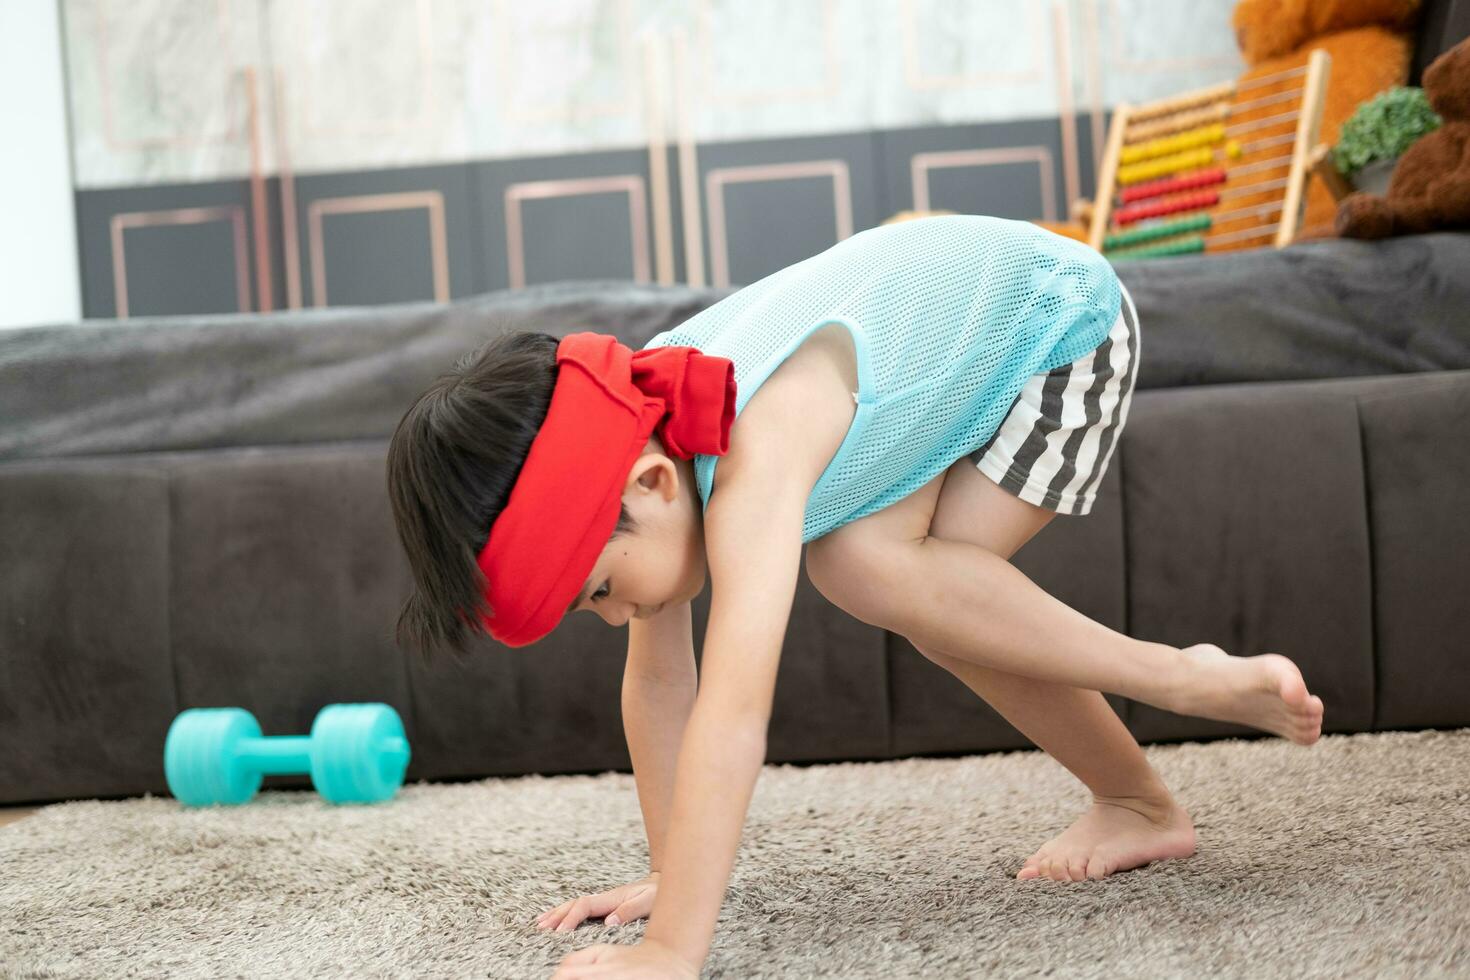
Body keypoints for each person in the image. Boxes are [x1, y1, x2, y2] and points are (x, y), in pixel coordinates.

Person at [386, 214, 1324, 980]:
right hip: (942, 338)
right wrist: (673, 884)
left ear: (653, 489)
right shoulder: (639, 441)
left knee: (877, 571)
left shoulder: (744, 451)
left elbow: (731, 711)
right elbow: (660, 688)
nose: (618, 617)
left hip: (1055, 325)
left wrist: (674, 950)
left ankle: (1176, 693)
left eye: (600, 592)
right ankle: (1141, 803)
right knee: (888, 572)